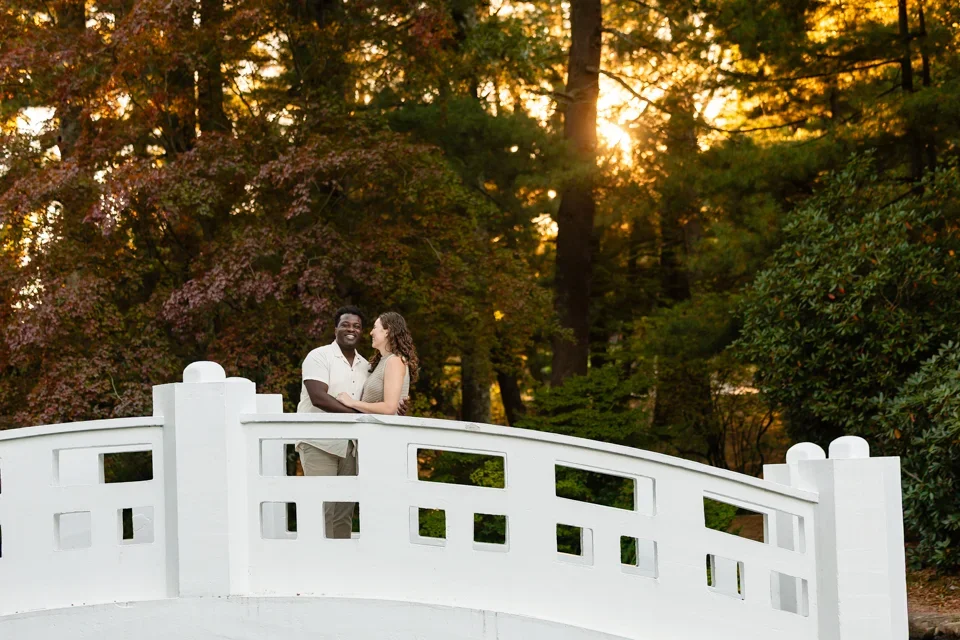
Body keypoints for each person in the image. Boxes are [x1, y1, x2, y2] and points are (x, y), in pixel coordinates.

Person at [296, 306, 408, 539]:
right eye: (346, 324)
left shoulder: (367, 365)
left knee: (344, 511)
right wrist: (355, 414)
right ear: (336, 328)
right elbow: (318, 398)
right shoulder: (319, 356)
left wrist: (397, 407)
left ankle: (341, 567)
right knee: (321, 508)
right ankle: (317, 566)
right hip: (320, 442)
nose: (351, 329)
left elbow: (375, 400)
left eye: (357, 326)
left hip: (351, 446)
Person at [338, 312, 419, 416]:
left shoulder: (394, 361)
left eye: (375, 327)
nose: (371, 333)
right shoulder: (383, 361)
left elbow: (389, 408)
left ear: (387, 331)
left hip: (383, 431)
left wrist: (352, 403)